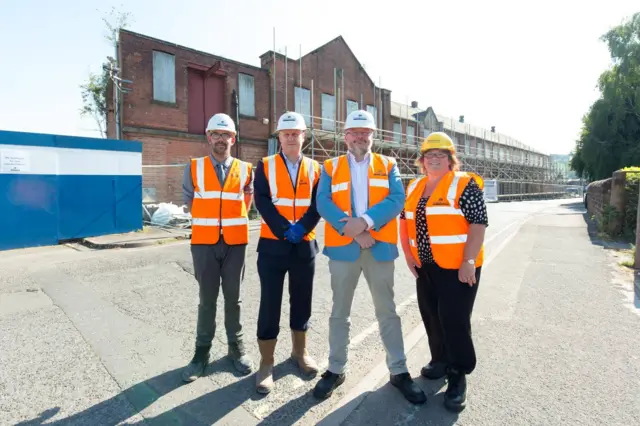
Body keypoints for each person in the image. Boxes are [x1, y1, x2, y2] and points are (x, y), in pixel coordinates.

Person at [313, 109, 427, 405]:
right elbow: (323, 202)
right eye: (355, 132)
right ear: (346, 136)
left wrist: (364, 222)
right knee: (340, 313)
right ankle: (336, 369)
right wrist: (350, 229)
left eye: (366, 132)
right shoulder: (330, 166)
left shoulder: (388, 164)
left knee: (387, 311)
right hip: (343, 250)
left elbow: (396, 200)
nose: (360, 137)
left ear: (373, 136)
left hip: (378, 247)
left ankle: (398, 370)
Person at [399, 131, 488, 413]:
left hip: (458, 267)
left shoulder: (465, 185)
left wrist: (469, 261)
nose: (434, 160)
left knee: (454, 320)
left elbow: (478, 224)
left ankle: (458, 375)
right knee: (431, 316)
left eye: (441, 155)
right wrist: (409, 255)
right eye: (429, 156)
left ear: (451, 160)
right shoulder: (414, 186)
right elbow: (404, 221)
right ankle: (440, 360)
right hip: (426, 266)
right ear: (422, 161)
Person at [180, 113, 255, 382]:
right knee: (207, 300)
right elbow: (189, 199)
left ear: (233, 139)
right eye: (216, 134)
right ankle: (201, 354)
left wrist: (228, 224)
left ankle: (236, 349)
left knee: (233, 299)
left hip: (235, 243)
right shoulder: (194, 167)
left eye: (226, 135)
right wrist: (212, 223)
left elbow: (247, 200)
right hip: (204, 243)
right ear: (208, 137)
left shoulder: (246, 169)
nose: (221, 139)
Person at [252, 111, 322, 394]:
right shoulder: (265, 165)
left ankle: (299, 353)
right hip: (272, 246)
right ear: (279, 137)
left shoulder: (317, 168)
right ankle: (266, 363)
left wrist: (302, 228)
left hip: (304, 244)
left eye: (296, 133)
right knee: (270, 302)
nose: (291, 137)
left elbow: (319, 204)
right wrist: (284, 229)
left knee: (302, 300)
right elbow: (262, 201)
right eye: (286, 133)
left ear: (304, 136)